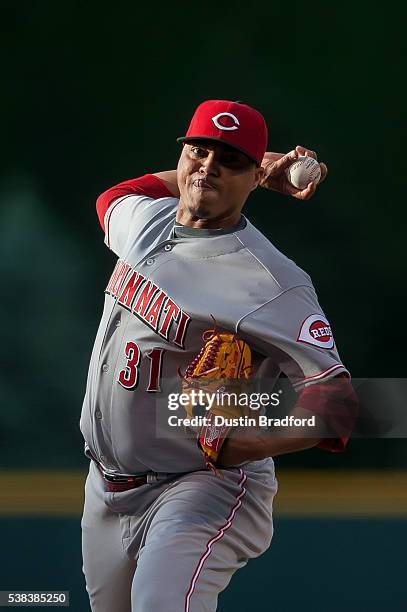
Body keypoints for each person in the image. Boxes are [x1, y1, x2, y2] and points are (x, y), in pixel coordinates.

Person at [80, 99, 357, 611]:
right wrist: (262, 166)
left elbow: (336, 403)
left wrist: (245, 437)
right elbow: (117, 195)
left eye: (229, 160)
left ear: (250, 178)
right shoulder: (148, 221)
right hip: (106, 487)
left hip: (201, 486)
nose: (208, 166)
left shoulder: (272, 282)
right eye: (199, 152)